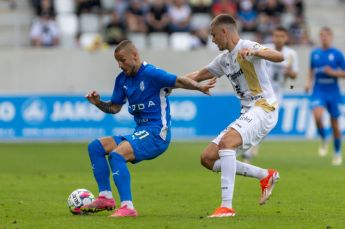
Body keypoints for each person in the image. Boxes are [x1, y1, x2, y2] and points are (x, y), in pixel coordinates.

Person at [80, 40, 215, 217]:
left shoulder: (152, 73)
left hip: (157, 134)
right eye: (117, 62)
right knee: (96, 147)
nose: (120, 65)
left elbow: (179, 81)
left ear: (134, 55)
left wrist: (199, 87)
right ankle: (105, 197)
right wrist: (98, 103)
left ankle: (127, 207)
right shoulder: (122, 80)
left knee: (116, 156)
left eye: (122, 60)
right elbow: (114, 108)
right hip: (141, 132)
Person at [184, 14, 284, 217]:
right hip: (248, 111)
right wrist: (169, 83)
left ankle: (226, 207)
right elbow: (198, 75)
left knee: (228, 143)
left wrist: (257, 51)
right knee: (208, 158)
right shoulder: (223, 60)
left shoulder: (247, 46)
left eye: (214, 35)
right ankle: (265, 175)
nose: (212, 40)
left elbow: (279, 57)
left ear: (224, 32)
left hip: (264, 107)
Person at [242, 26, 299, 163]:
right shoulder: (265, 49)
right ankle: (248, 149)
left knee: (267, 123)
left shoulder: (290, 54)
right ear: (273, 36)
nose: (279, 39)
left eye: (282, 36)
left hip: (276, 93)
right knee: (252, 119)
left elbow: (294, 75)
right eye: (276, 35)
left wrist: (288, 72)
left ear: (286, 38)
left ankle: (253, 144)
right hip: (259, 91)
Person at [305, 27, 345, 166]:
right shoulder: (315, 53)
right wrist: (308, 82)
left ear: (331, 37)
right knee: (317, 116)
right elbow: (311, 69)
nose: (324, 38)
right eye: (321, 35)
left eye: (326, 35)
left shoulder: (338, 54)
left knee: (335, 124)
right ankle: (324, 138)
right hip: (319, 90)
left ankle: (337, 153)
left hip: (333, 91)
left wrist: (333, 73)